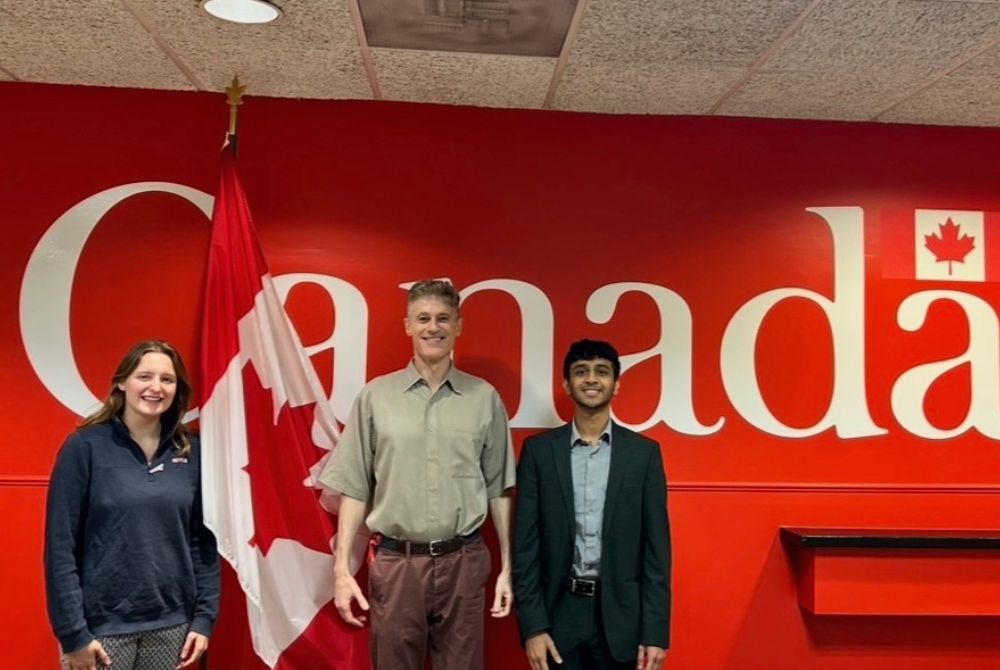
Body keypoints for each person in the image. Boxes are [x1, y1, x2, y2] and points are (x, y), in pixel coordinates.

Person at [320, 279, 516, 669]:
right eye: (423, 318)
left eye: (443, 318)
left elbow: (499, 488)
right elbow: (355, 487)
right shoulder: (376, 397)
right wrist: (341, 569)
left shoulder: (484, 398)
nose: (433, 327)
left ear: (458, 325)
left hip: (463, 561)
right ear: (407, 325)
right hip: (397, 565)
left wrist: (507, 567)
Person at [45, 340, 220, 670]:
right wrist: (72, 635)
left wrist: (203, 618)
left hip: (172, 628)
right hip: (100, 628)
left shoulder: (191, 450)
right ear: (122, 383)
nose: (156, 387)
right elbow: (60, 547)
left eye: (166, 380)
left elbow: (202, 540)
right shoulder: (85, 447)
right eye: (145, 376)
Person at [514, 339, 671, 670]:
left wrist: (655, 633)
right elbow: (525, 548)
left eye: (602, 372)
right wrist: (532, 627)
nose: (591, 379)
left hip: (622, 619)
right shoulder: (539, 453)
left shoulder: (643, 455)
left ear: (616, 384)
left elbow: (657, 552)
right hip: (558, 618)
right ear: (566, 384)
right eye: (580, 372)